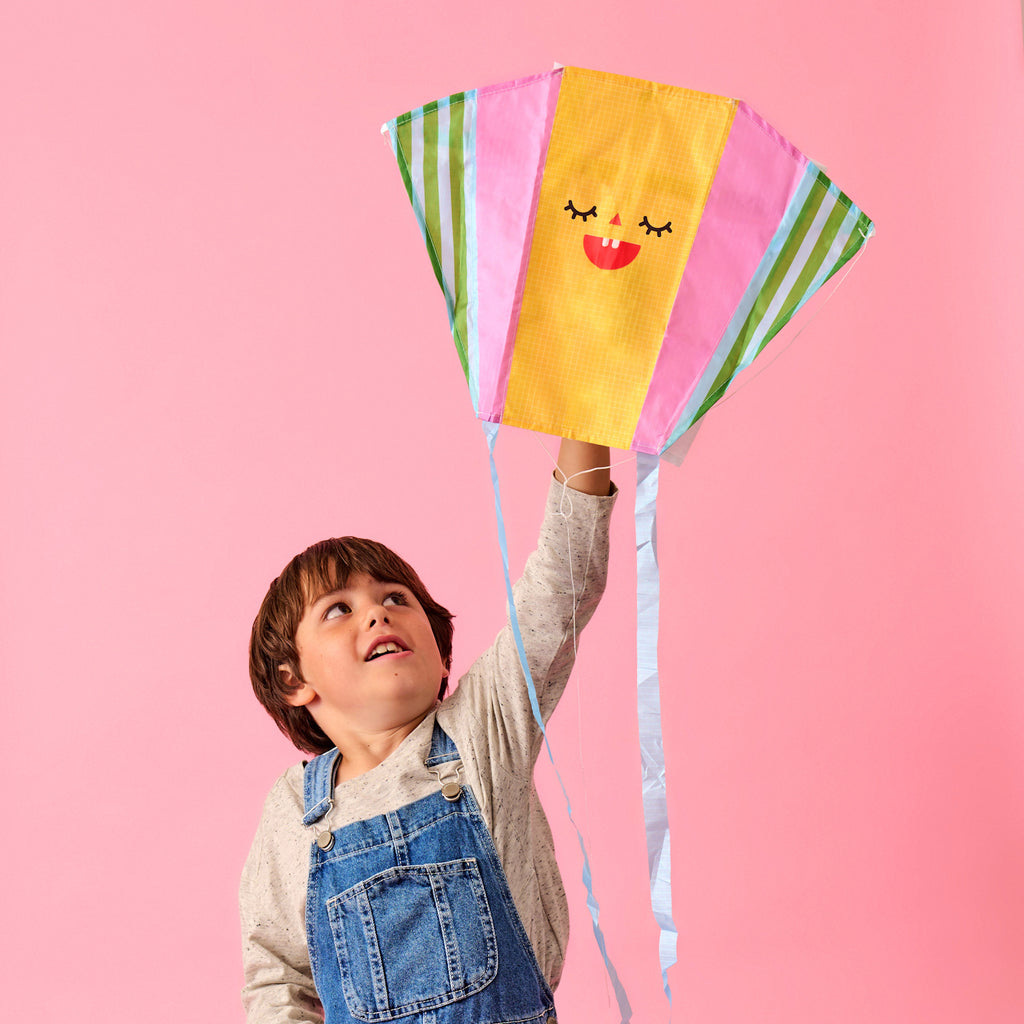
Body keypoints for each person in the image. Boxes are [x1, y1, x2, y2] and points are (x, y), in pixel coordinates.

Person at [240, 439, 615, 1023]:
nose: (377, 611)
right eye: (339, 608)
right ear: (293, 680)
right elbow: (278, 977)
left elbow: (561, 583)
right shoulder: (295, 809)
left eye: (396, 596)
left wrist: (588, 413)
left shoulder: (483, 728)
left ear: (441, 655)